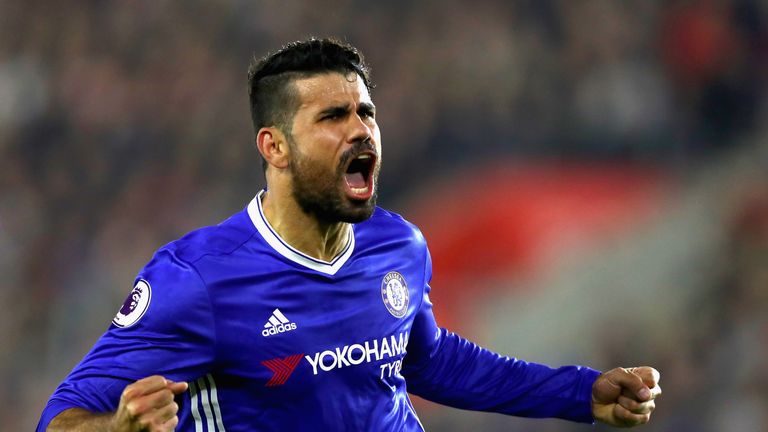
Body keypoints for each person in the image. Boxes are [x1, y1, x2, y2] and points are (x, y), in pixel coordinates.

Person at [38, 38, 661, 432]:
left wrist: (580, 394)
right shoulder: (197, 279)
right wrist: (118, 428)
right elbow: (58, 421)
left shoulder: (398, 246)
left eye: (366, 112)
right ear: (274, 146)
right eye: (333, 117)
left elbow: (429, 359)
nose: (361, 130)